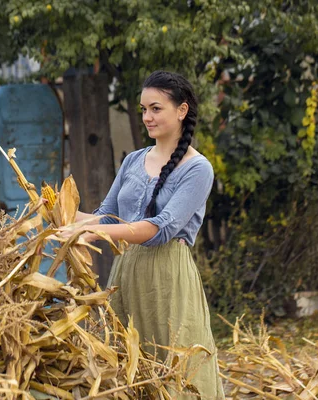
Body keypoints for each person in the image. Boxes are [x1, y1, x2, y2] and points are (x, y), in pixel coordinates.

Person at [73, 71, 224, 399]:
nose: (147, 117)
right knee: (125, 369)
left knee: (173, 370)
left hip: (167, 279)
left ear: (181, 110)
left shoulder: (197, 169)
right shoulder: (133, 160)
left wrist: (92, 232)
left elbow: (161, 229)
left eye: (156, 108)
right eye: (143, 109)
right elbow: (105, 215)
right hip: (125, 274)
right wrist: (63, 214)